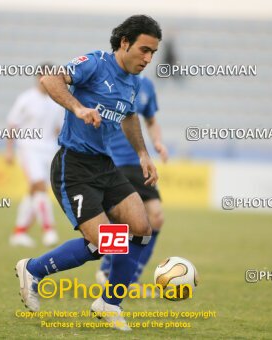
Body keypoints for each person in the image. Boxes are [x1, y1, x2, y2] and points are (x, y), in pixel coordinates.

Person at [15, 15, 162, 331]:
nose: (148, 58)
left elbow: (129, 117)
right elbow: (50, 80)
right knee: (110, 243)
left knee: (140, 227)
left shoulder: (133, 82)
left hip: (105, 166)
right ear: (125, 43)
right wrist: (78, 109)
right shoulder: (94, 63)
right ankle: (33, 269)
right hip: (75, 167)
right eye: (144, 50)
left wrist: (142, 154)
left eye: (153, 53)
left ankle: (109, 304)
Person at [96, 75, 168, 294]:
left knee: (155, 217)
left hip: (139, 162)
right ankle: (108, 270)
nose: (146, 58)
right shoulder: (108, 79)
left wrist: (157, 141)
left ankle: (130, 278)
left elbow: (151, 120)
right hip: (113, 162)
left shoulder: (147, 85)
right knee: (122, 220)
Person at [6, 67, 63, 248]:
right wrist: (8, 150)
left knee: (35, 191)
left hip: (49, 149)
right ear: (39, 78)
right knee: (39, 186)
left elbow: (58, 128)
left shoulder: (57, 101)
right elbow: (12, 124)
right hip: (29, 148)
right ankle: (49, 229)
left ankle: (19, 232)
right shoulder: (26, 99)